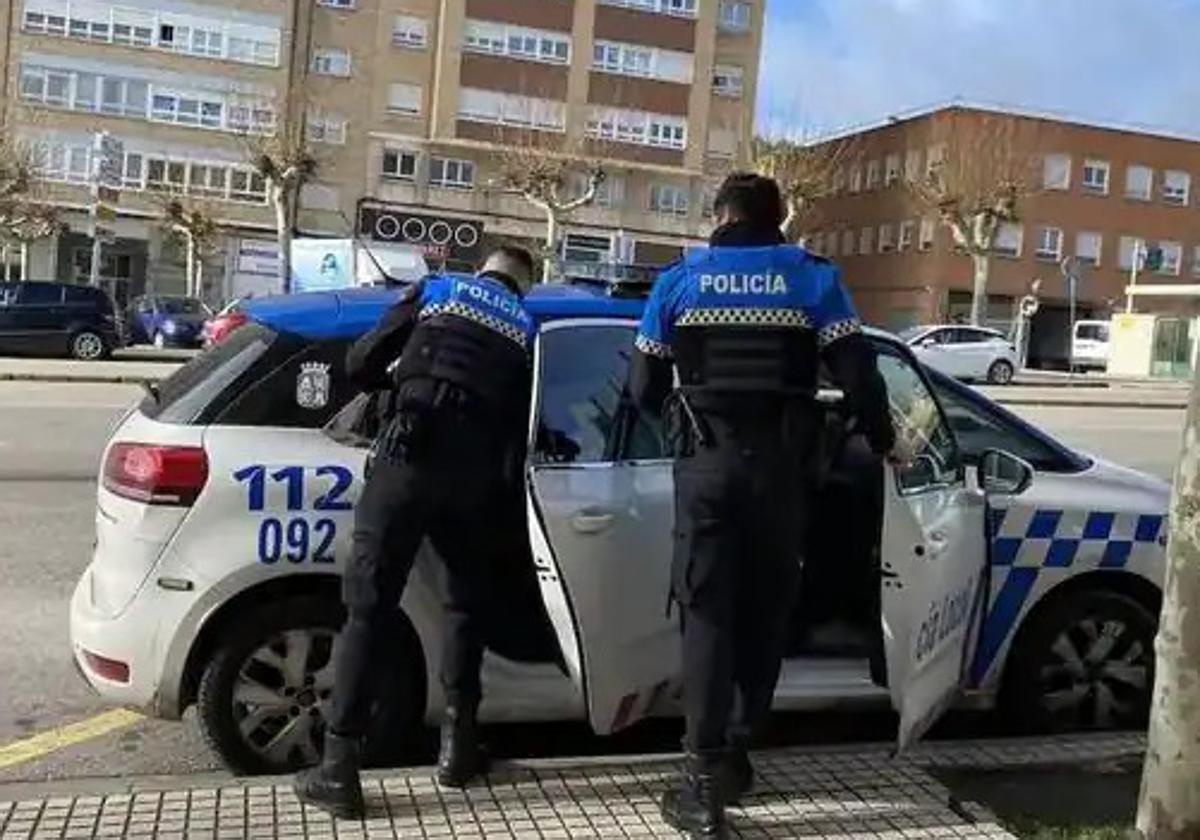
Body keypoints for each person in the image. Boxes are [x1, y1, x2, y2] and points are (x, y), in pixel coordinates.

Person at [627, 173, 899, 839]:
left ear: (720, 215)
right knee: (765, 613)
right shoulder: (812, 278)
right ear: (780, 219)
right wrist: (884, 443)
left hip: (708, 471)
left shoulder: (679, 282)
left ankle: (699, 781)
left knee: (709, 615)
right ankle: (738, 756)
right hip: (782, 476)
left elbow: (640, 387)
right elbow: (861, 379)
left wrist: (684, 421)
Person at [294, 246, 538, 819]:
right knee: (464, 608)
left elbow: (359, 363)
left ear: (485, 269)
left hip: (409, 454)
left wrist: (400, 382)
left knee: (368, 610)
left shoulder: (437, 291)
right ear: (521, 286)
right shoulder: (523, 325)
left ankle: (338, 768)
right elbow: (519, 418)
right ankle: (457, 749)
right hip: (473, 476)